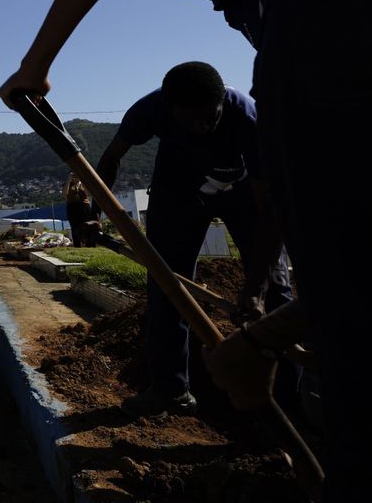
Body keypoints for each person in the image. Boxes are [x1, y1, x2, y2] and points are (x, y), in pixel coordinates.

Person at [0, 0, 372, 502]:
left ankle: (329, 428)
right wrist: (92, 192)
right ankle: (179, 385)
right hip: (192, 183)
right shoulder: (163, 99)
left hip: (304, 83)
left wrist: (258, 311)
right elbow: (115, 151)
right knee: (195, 280)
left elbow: (275, 220)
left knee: (349, 293)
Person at [95, 62, 293, 416]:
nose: (202, 127)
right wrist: (93, 209)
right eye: (190, 121)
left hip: (247, 193)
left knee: (277, 292)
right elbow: (111, 158)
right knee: (166, 284)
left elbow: (271, 214)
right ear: (170, 111)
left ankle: (287, 405)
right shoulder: (150, 110)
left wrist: (254, 289)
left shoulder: (250, 120)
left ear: (221, 103)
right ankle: (169, 390)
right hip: (180, 189)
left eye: (210, 117)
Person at [63, 174, 100, 248]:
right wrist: (68, 180)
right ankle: (77, 245)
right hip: (72, 207)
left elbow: (88, 194)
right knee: (74, 226)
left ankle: (90, 244)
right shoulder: (67, 184)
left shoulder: (84, 184)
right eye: (73, 176)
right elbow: (64, 194)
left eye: (76, 175)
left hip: (84, 206)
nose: (75, 177)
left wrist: (82, 181)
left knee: (88, 225)